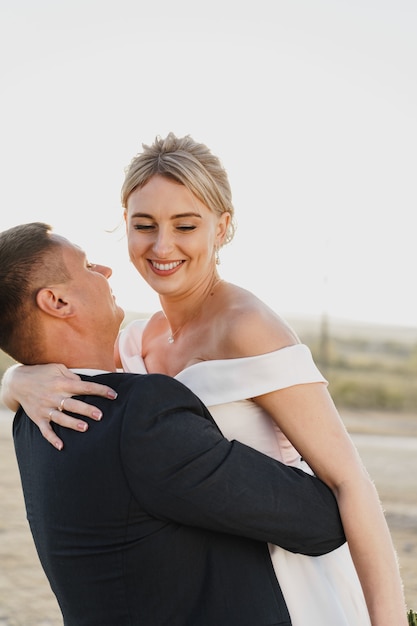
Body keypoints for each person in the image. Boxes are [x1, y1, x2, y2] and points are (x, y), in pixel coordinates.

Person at [1, 134, 407, 625]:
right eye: (144, 225)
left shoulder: (246, 327)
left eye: (185, 225)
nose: (162, 245)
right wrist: (19, 380)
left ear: (222, 227)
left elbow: (350, 482)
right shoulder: (135, 340)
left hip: (299, 583)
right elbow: (75, 369)